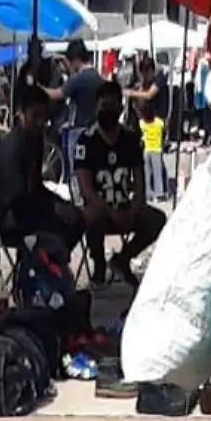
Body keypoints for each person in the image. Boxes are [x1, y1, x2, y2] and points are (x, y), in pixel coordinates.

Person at [73, 80, 166, 287]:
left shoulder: (131, 140)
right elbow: (86, 189)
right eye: (104, 106)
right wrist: (110, 211)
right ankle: (98, 265)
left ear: (121, 108)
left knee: (157, 219)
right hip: (99, 209)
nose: (108, 111)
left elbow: (140, 182)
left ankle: (123, 259)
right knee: (91, 218)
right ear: (96, 108)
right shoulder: (86, 141)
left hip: (125, 206)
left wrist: (134, 208)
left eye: (113, 106)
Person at [0, 84, 84, 252]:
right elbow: (16, 197)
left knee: (78, 217)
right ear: (21, 113)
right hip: (10, 217)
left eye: (44, 117)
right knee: (61, 228)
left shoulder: (35, 141)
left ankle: (51, 264)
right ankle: (45, 265)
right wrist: (53, 208)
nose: (40, 122)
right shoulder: (11, 148)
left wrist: (62, 204)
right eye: (35, 116)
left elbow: (36, 188)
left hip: (30, 208)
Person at [46, 39, 102, 180]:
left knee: (75, 172)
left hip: (78, 131)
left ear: (76, 59)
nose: (69, 65)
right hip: (94, 129)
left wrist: (38, 88)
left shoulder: (78, 79)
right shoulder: (97, 76)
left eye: (69, 61)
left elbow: (58, 94)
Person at [137, 99, 170, 200]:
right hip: (157, 150)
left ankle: (148, 193)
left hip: (146, 150)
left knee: (147, 173)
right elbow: (165, 129)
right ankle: (159, 193)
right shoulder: (159, 123)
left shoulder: (142, 123)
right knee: (157, 172)